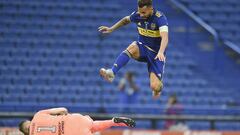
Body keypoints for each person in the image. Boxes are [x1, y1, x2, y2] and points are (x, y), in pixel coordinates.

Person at [98, 0, 169, 98]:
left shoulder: (160, 18)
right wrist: (111, 29)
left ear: (151, 9)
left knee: (155, 86)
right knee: (133, 46)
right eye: (139, 12)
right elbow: (125, 20)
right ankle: (112, 72)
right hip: (142, 48)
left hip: (156, 54)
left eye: (144, 12)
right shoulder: (138, 15)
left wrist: (161, 51)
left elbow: (165, 37)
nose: (141, 15)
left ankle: (158, 90)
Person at [18, 107, 135, 135]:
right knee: (93, 125)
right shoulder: (38, 114)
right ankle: (113, 121)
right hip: (75, 119)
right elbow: (63, 109)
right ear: (28, 121)